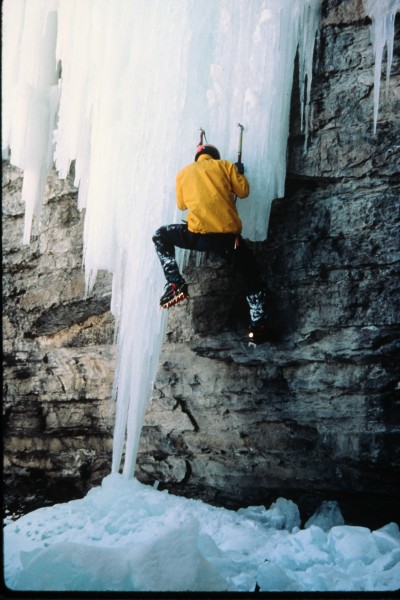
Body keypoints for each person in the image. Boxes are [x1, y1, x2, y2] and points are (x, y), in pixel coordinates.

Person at [152, 143, 267, 344]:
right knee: (251, 274)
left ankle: (175, 283)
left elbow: (181, 204)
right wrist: (239, 173)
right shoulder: (226, 166)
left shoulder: (184, 173)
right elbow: (243, 191)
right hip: (228, 240)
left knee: (161, 235)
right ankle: (257, 324)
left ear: (198, 157)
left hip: (197, 235)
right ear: (214, 156)